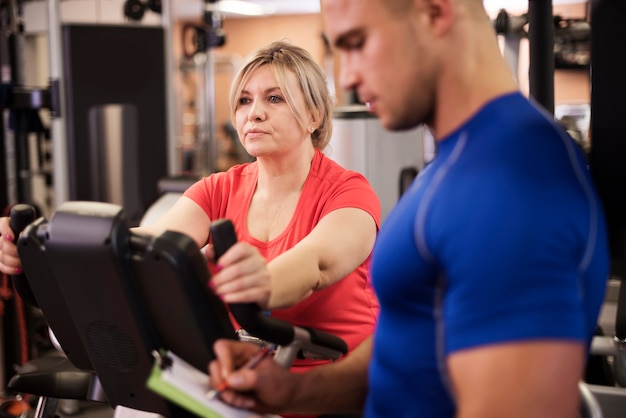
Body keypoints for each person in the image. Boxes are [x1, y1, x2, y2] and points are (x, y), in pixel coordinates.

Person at [207, 1, 611, 417]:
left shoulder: (511, 180)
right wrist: (293, 392)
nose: (347, 76)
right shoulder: (460, 163)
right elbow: (408, 348)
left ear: (434, 13)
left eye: (358, 43)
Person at [0, 40, 380, 418]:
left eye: (275, 98)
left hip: (331, 378)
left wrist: (260, 282)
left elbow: (317, 264)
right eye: (244, 100)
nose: (255, 113)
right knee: (141, 403)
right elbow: (141, 250)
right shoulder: (219, 188)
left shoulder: (349, 192)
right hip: (240, 367)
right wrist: (39, 255)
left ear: (313, 114)